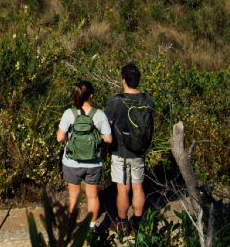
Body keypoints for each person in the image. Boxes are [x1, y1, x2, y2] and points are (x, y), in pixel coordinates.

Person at [101, 62, 157, 234]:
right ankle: (139, 223)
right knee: (138, 187)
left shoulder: (115, 101)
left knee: (123, 188)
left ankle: (123, 223)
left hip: (120, 152)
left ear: (123, 80)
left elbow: (106, 127)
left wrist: (103, 151)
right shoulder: (148, 100)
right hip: (139, 152)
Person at [55, 81, 113, 224]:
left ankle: (75, 224)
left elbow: (59, 138)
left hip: (72, 162)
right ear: (91, 96)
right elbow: (109, 139)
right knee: (92, 196)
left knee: (74, 197)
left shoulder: (69, 113)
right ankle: (91, 225)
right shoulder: (99, 115)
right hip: (93, 162)